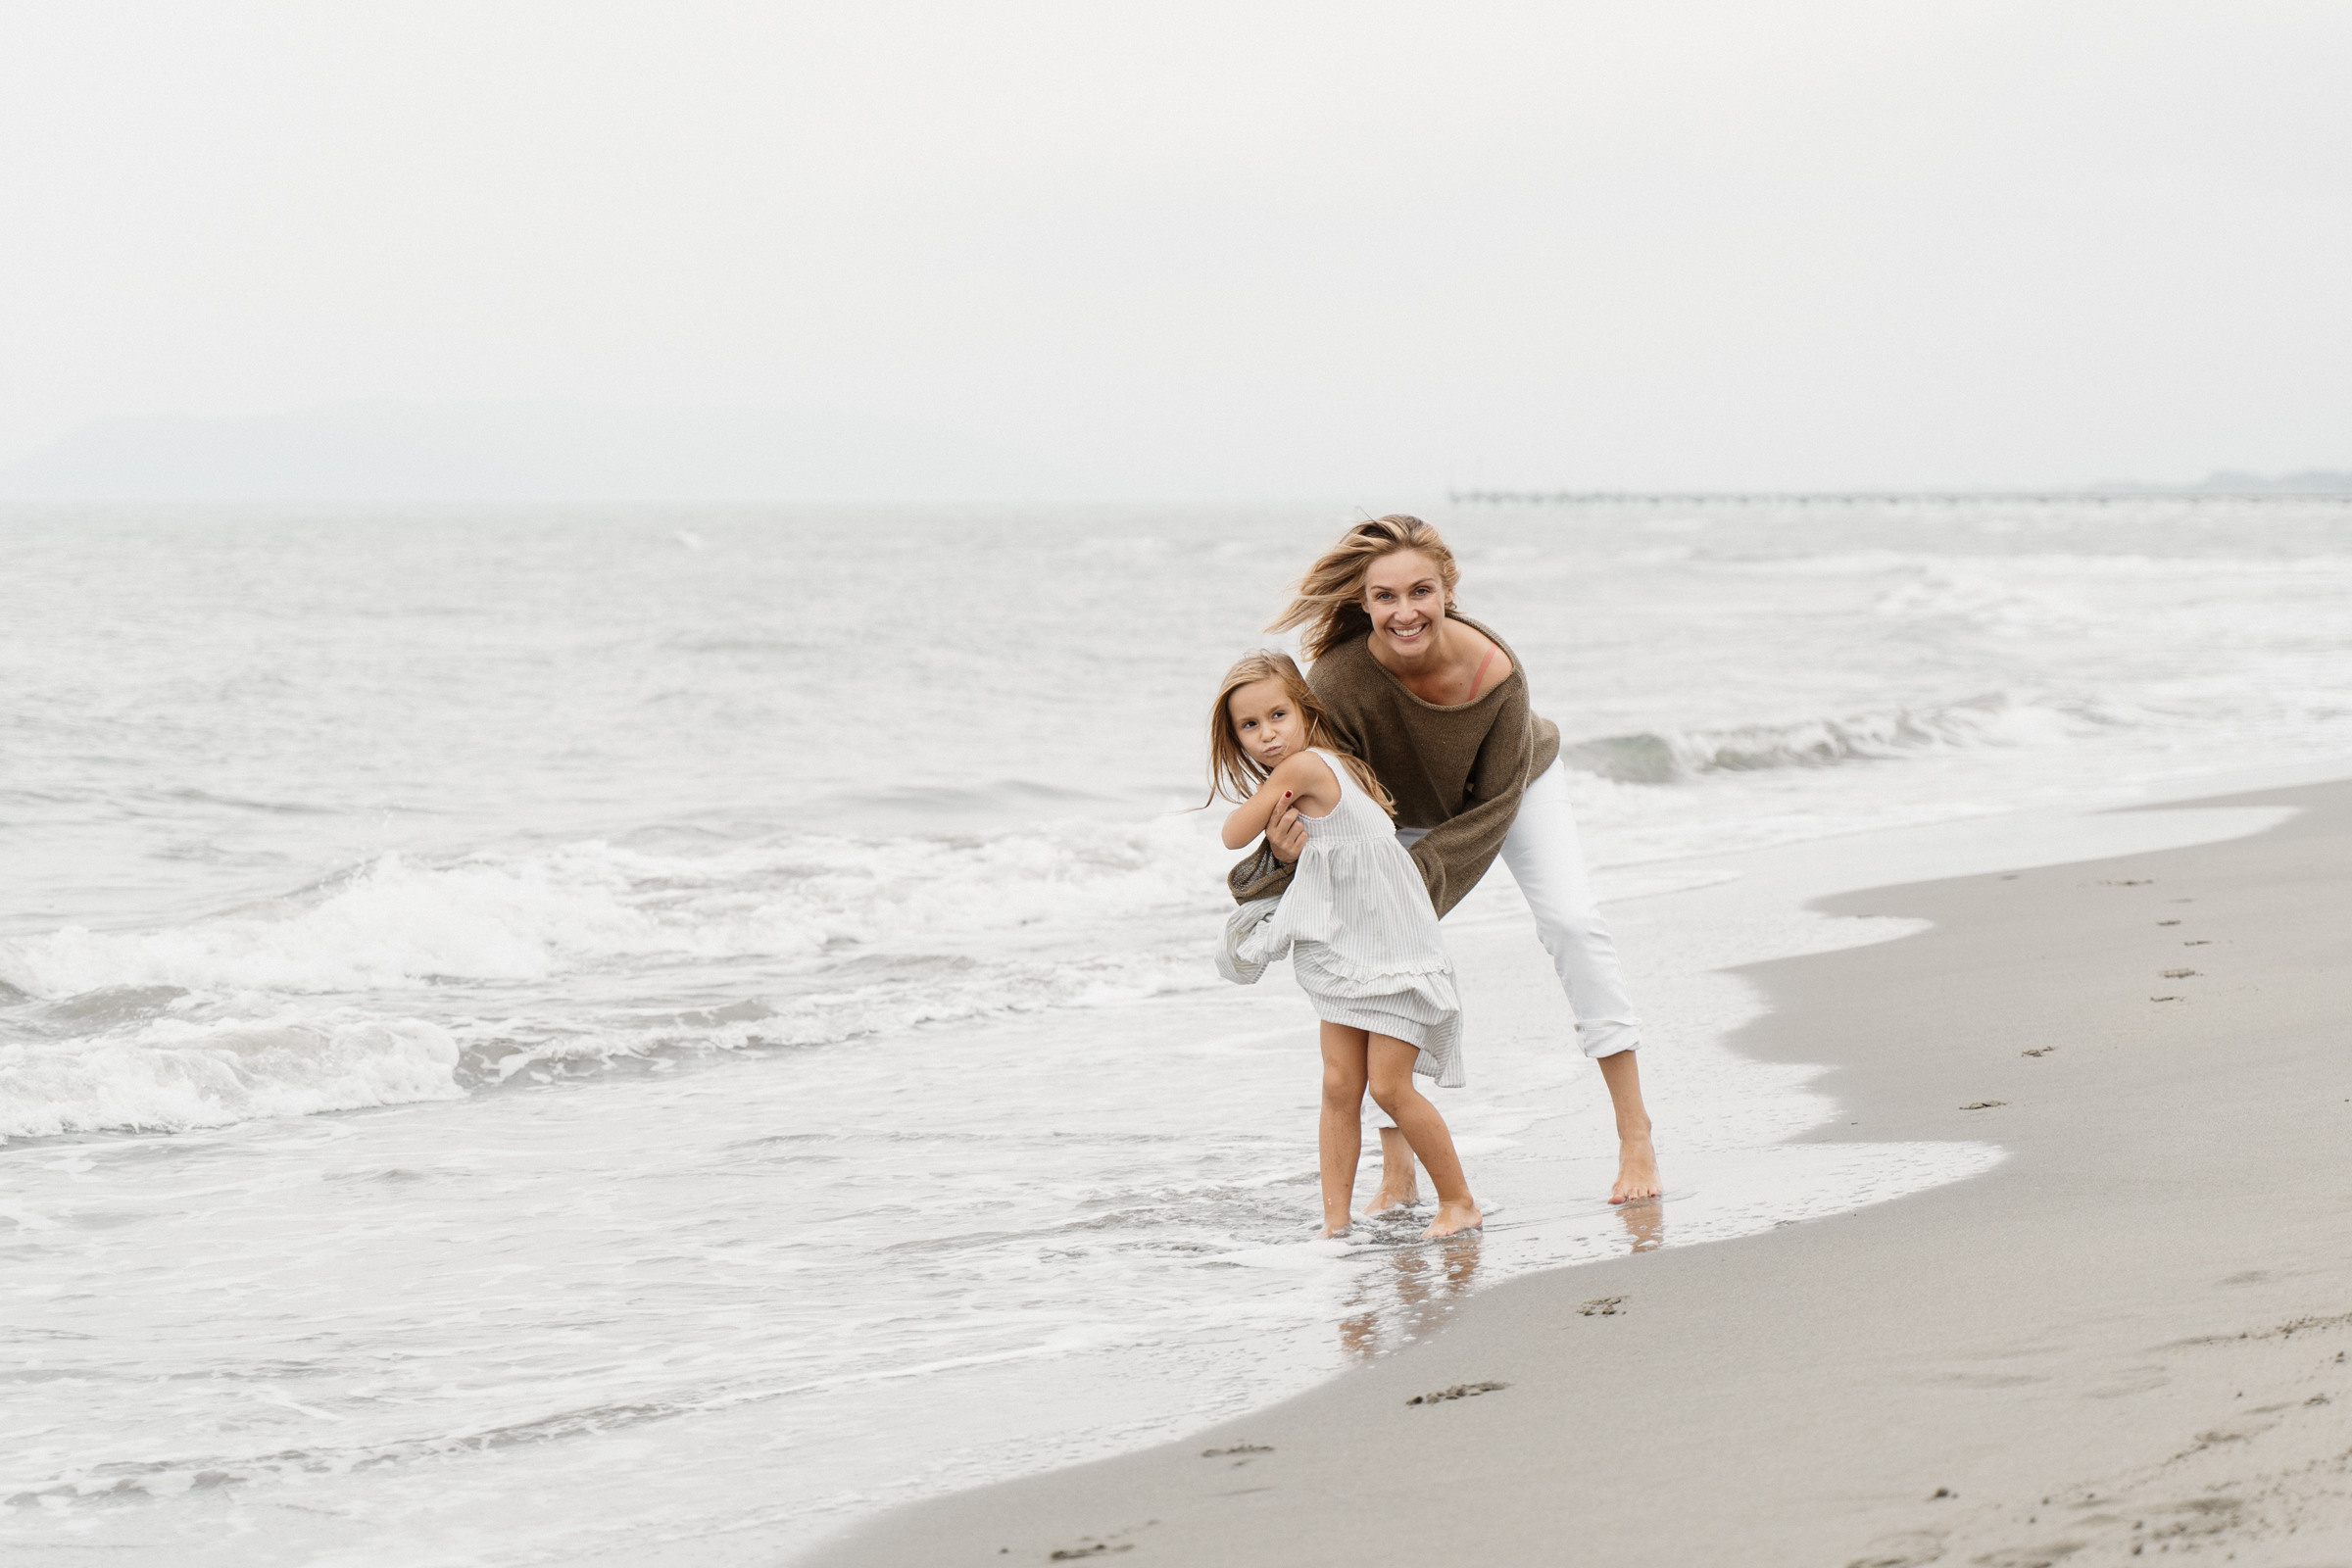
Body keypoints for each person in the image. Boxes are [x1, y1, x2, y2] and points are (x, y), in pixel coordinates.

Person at [1233, 515, 1663, 1208]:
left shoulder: (1495, 671)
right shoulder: (1339, 679)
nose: (1405, 613)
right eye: (1385, 598)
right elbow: (1336, 796)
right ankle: (1396, 1163)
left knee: (1574, 924)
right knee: (1373, 956)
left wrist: (1412, 887)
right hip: (1395, 808)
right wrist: (1285, 860)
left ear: (1448, 589)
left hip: (1515, 785)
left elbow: (1492, 809)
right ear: (1364, 602)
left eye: (1421, 592)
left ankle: (1633, 1130)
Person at [1209, 650, 1483, 1240]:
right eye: (1248, 727)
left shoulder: (1306, 767)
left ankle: (1459, 1201)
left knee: (1388, 1086)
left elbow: (1233, 834)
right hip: (1352, 955)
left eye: (1277, 715)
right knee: (1339, 1086)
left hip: (1392, 956)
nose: (1266, 736)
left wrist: (1269, 802)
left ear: (1305, 710)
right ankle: (1334, 1222)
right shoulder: (1341, 765)